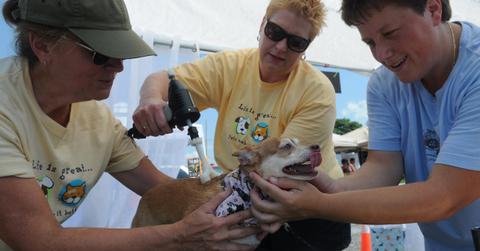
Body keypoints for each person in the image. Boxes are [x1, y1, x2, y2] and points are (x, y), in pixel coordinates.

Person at [0, 0, 259, 250]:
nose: (119, 66)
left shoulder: (98, 122)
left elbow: (164, 191)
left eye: (120, 52)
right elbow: (41, 241)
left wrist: (253, 192)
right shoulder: (5, 108)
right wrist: (179, 235)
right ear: (42, 46)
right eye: (101, 54)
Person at [248, 0, 480, 250]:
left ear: (433, 10)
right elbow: (384, 166)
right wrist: (334, 188)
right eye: (370, 42)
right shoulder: (385, 83)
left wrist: (316, 205)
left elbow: (444, 196)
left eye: (390, 34)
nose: (381, 55)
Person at [132, 0, 352, 250]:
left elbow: (280, 177)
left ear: (305, 48)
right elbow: (162, 79)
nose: (280, 47)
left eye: (296, 42)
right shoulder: (231, 66)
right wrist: (151, 99)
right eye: (275, 32)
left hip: (308, 207)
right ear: (262, 25)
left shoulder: (317, 91)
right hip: (239, 196)